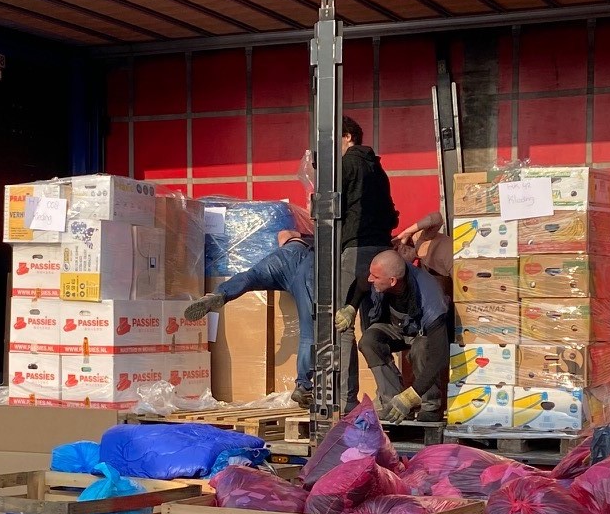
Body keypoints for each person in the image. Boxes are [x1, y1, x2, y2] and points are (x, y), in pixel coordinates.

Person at [185, 217, 314, 407]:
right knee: (308, 330)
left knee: (251, 276)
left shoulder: (301, 234)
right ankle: (304, 386)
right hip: (308, 263)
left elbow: (283, 235)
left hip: (287, 253)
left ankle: (220, 293)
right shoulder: (324, 236)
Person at [335, 248, 449, 423]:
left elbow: (439, 355)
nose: (370, 279)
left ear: (393, 281)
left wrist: (412, 395)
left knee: (422, 348)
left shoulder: (430, 297)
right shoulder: (378, 275)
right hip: (396, 327)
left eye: (376, 277)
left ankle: (430, 406)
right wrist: (351, 307)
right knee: (369, 341)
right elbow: (360, 284)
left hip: (421, 332)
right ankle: (392, 402)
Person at [338, 118, 398, 396]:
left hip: (356, 248)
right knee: (375, 327)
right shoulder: (378, 169)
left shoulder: (347, 164)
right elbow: (390, 212)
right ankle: (389, 396)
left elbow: (334, 208)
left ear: (347, 137)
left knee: (344, 324)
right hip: (382, 250)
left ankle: (345, 398)